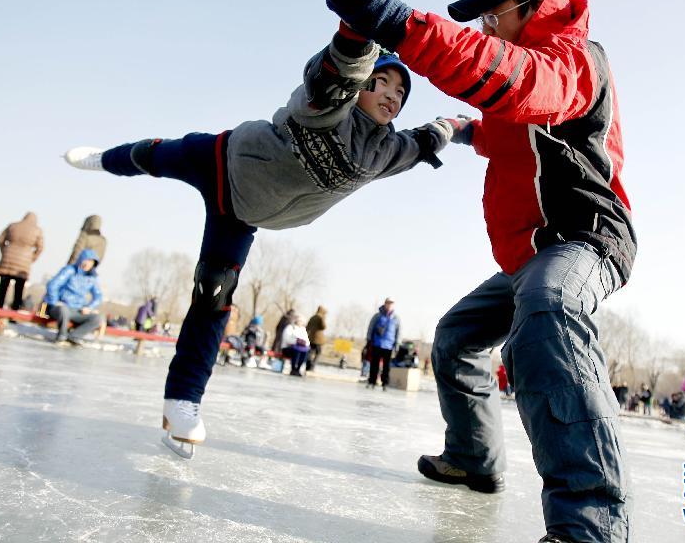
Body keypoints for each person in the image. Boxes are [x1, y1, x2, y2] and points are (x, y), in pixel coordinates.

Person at [323, 0, 637, 540]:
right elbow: (500, 127)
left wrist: (399, 24)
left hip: (584, 239)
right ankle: (473, 458)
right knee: (457, 337)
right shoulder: (525, 78)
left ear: (531, 7)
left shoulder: (573, 61)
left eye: (493, 17)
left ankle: (590, 524)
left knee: (549, 308)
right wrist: (455, 131)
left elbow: (515, 81)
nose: (487, 29)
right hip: (531, 255)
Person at [63, 25, 456, 459]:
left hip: (241, 213)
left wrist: (461, 126)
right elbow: (336, 71)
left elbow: (425, 140)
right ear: (362, 83)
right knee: (152, 155)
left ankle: (181, 403)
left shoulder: (385, 152)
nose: (392, 96)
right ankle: (104, 158)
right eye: (382, 83)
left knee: (213, 292)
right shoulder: (328, 107)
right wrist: (356, 28)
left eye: (401, 92)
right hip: (220, 159)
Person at [43, 249, 103, 345]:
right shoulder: (70, 270)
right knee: (64, 310)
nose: (88, 264)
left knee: (97, 318)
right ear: (81, 259)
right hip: (60, 306)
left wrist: (89, 307)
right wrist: (55, 302)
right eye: (86, 260)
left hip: (77, 310)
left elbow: (98, 296)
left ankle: (74, 336)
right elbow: (53, 285)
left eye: (91, 262)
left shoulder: (92, 278)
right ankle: (62, 336)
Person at [0, 212, 44, 311]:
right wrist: (32, 258)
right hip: (24, 261)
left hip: (8, 258)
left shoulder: (13, 225)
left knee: (3, 286)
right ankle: (14, 311)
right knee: (19, 289)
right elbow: (40, 248)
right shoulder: (37, 230)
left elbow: (0, 240)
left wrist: (4, 251)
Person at [366, 297, 400, 390]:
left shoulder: (396, 318)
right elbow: (371, 327)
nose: (389, 305)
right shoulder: (377, 316)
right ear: (385, 304)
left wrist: (397, 344)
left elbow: (398, 332)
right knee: (374, 364)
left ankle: (385, 383)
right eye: (388, 303)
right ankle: (372, 381)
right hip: (377, 344)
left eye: (391, 303)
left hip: (389, 346)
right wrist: (369, 339)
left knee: (386, 366)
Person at [305, 305, 328, 371]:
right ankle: (312, 366)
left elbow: (307, 327)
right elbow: (324, 327)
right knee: (318, 353)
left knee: (310, 352)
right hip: (318, 339)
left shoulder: (312, 317)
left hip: (311, 338)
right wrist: (323, 318)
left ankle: (308, 366)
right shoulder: (321, 317)